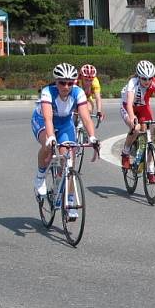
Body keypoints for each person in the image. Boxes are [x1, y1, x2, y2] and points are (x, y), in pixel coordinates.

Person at [31, 63, 99, 218]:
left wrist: (93, 137)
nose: (66, 86)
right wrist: (52, 138)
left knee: (68, 161)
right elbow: (48, 118)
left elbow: (86, 118)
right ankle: (40, 177)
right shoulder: (48, 92)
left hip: (65, 124)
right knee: (48, 145)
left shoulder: (78, 92)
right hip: (43, 120)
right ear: (56, 82)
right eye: (62, 82)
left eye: (70, 83)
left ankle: (69, 200)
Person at [119, 60, 155, 184]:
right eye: (144, 78)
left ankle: (150, 169)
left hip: (143, 108)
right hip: (128, 107)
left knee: (149, 134)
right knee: (137, 128)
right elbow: (129, 103)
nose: (147, 81)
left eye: (150, 78)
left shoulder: (154, 83)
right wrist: (132, 117)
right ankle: (126, 152)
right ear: (139, 76)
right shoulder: (133, 83)